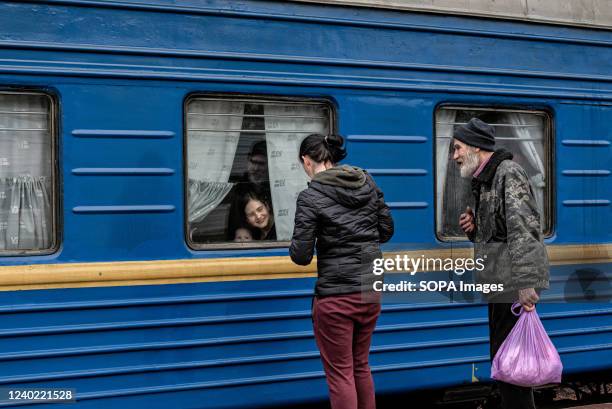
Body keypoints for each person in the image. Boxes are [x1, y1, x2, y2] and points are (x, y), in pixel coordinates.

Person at [290, 133, 394, 409]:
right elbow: (386, 231)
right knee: (360, 365)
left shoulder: (310, 196)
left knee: (340, 374)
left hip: (336, 298)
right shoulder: (367, 181)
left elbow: (300, 256)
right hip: (370, 291)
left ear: (307, 161)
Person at [453, 118, 550, 409]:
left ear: (474, 147)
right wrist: (474, 230)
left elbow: (524, 230)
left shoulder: (508, 173)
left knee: (513, 367)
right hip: (500, 283)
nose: (455, 155)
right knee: (505, 364)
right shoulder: (485, 181)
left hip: (513, 284)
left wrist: (526, 284)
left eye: (457, 148)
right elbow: (499, 234)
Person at [228, 141, 272, 239]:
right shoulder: (240, 191)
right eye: (253, 162)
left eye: (261, 164)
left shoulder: (273, 190)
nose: (255, 168)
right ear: (248, 160)